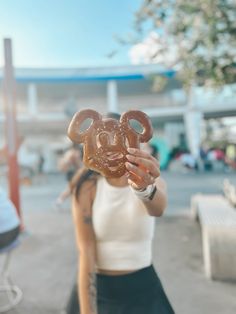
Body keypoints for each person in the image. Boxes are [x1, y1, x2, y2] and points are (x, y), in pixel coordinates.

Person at [66, 113, 175, 314]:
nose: (112, 147)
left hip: (143, 288)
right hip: (99, 288)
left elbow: (158, 208)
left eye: (121, 140)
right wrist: (88, 311)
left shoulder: (149, 179)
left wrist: (144, 188)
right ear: (93, 144)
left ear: (134, 141)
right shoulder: (88, 188)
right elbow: (86, 251)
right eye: (104, 140)